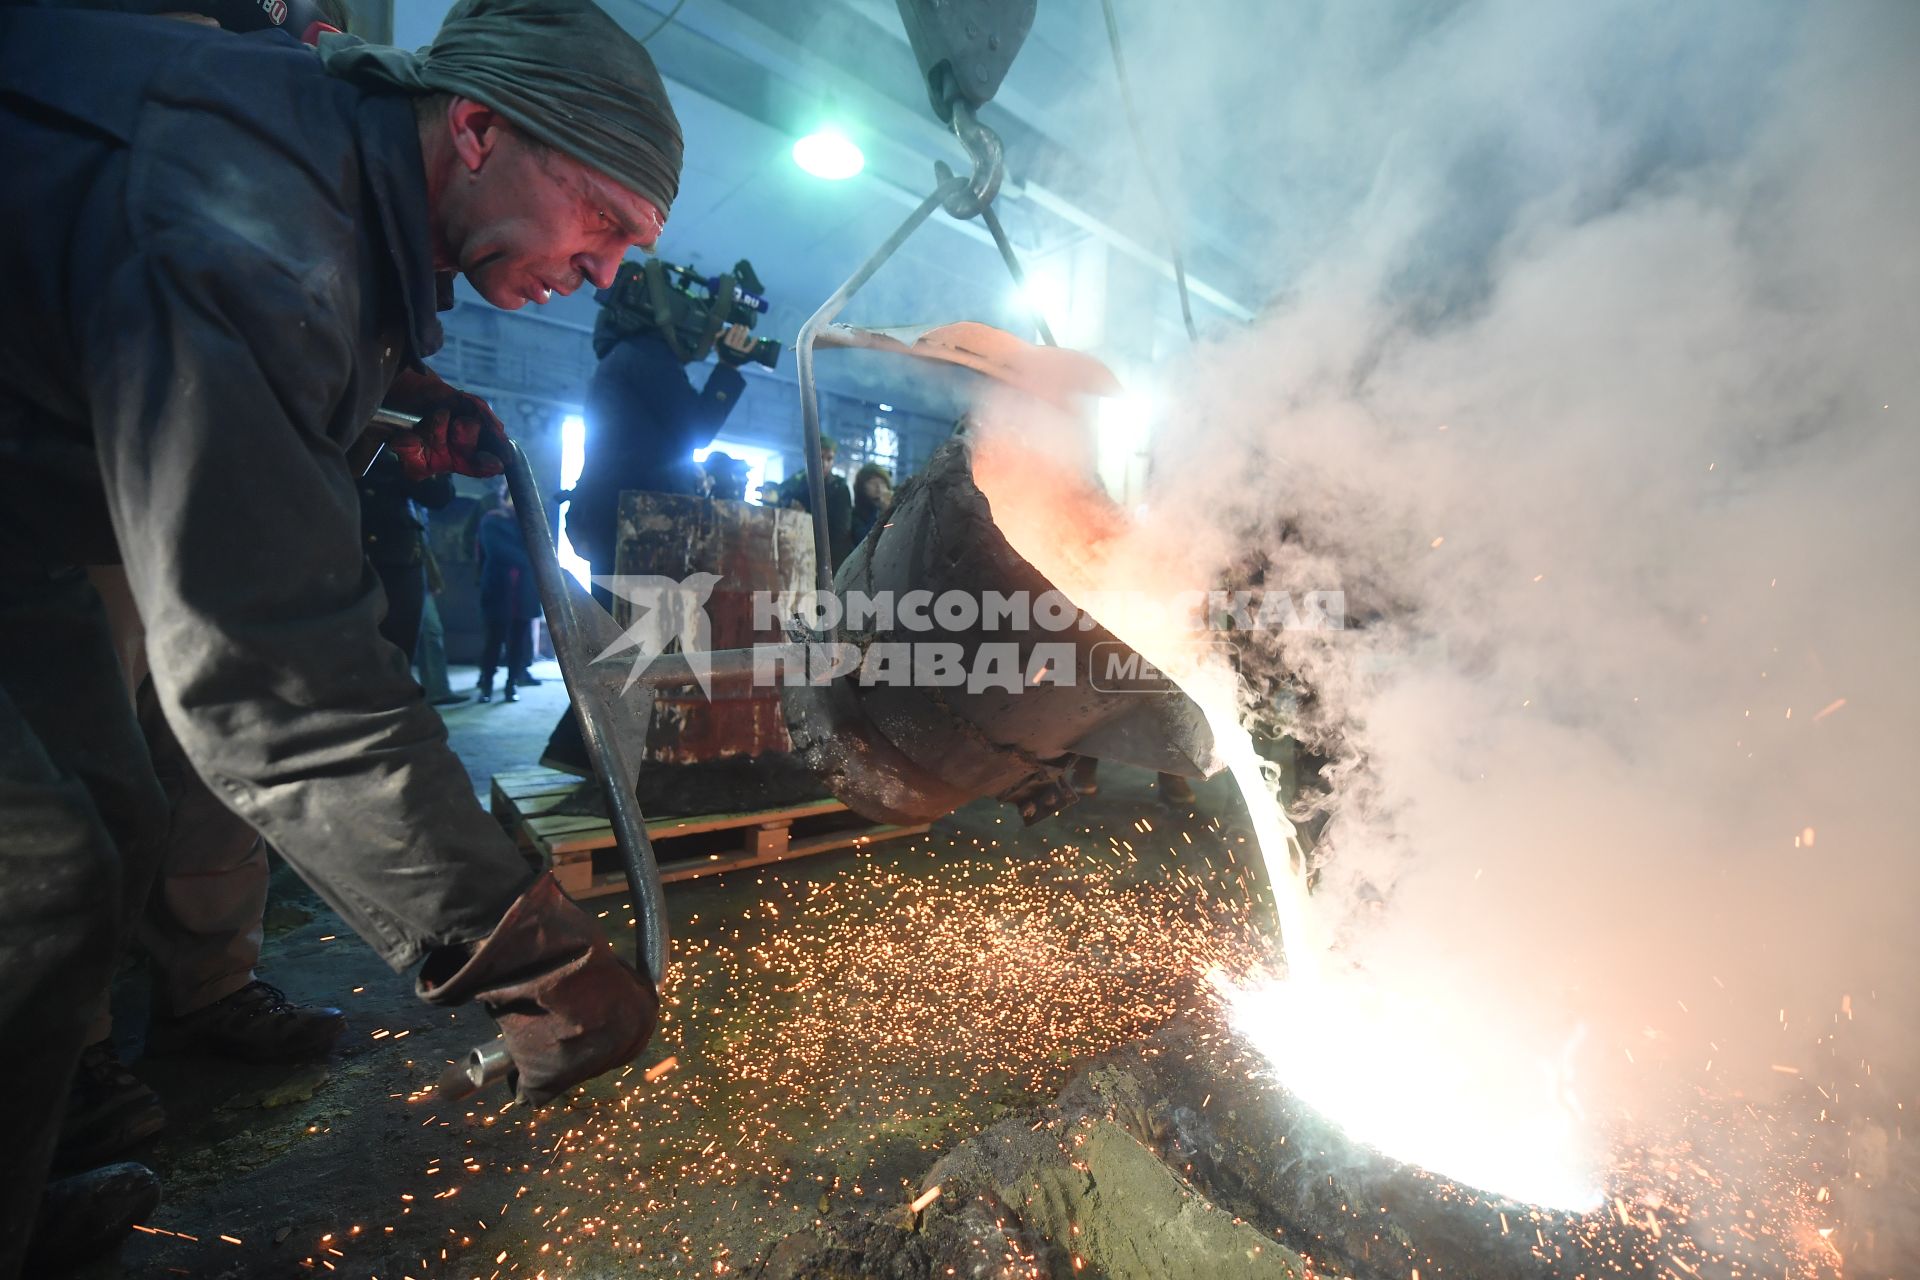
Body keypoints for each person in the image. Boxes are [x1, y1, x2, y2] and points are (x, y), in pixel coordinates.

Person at [0, 1, 685, 1270]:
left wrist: (374, 384)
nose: (602, 274)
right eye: (602, 223)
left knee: (111, 810)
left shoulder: (322, 191)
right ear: (477, 128)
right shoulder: (255, 226)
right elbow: (273, 675)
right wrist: (521, 949)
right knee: (33, 874)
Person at [475, 485, 541, 703]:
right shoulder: (493, 521)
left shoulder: (530, 524)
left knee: (518, 643)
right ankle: (486, 683)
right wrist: (529, 559)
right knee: (493, 641)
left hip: (523, 591)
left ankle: (511, 684)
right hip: (499, 589)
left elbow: (541, 552)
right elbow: (497, 552)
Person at [779, 435, 856, 570]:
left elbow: (841, 531)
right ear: (806, 456)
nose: (824, 464)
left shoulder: (839, 489)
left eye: (829, 459)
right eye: (820, 457)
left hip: (829, 562)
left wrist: (804, 517)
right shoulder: (792, 486)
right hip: (795, 558)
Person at [850, 462, 893, 545]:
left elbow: (892, 527)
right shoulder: (856, 516)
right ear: (862, 487)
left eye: (882, 483)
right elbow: (865, 539)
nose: (879, 488)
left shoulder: (895, 506)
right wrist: (884, 513)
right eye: (872, 483)